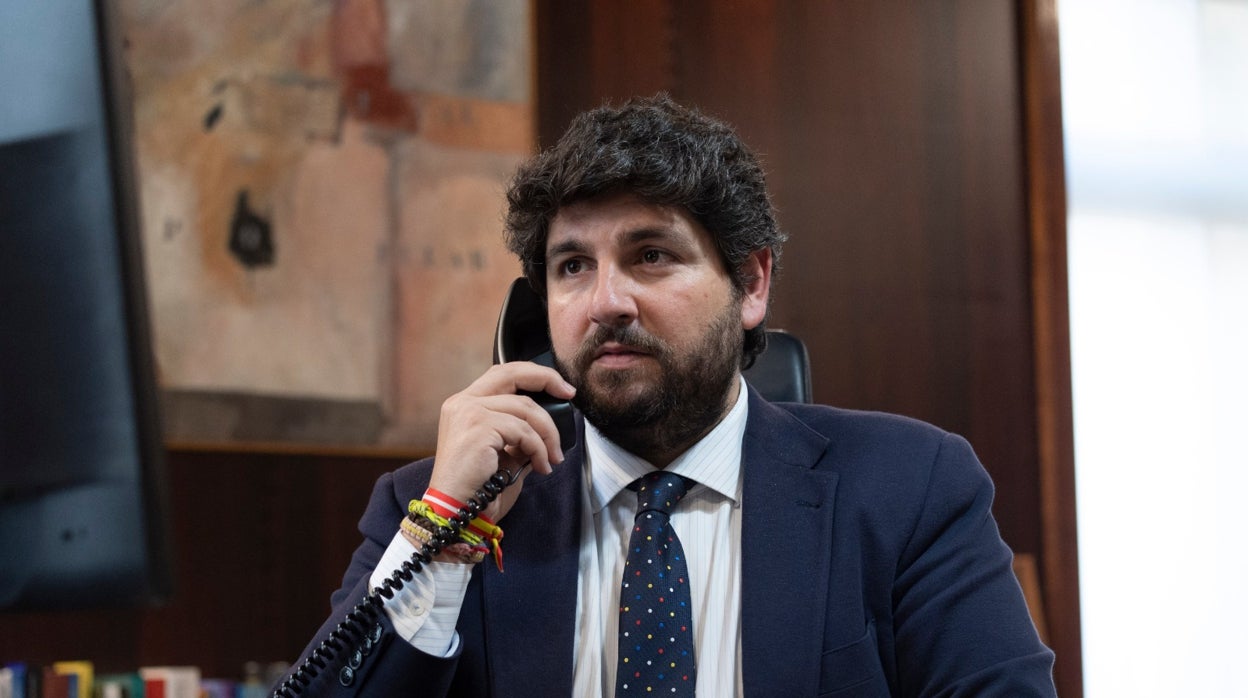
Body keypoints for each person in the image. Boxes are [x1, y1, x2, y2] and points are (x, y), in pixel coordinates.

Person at [281, 95, 1057, 697]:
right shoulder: (437, 507)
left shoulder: (910, 489)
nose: (605, 302)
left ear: (751, 282)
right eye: (572, 267)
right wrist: (446, 539)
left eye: (651, 255)